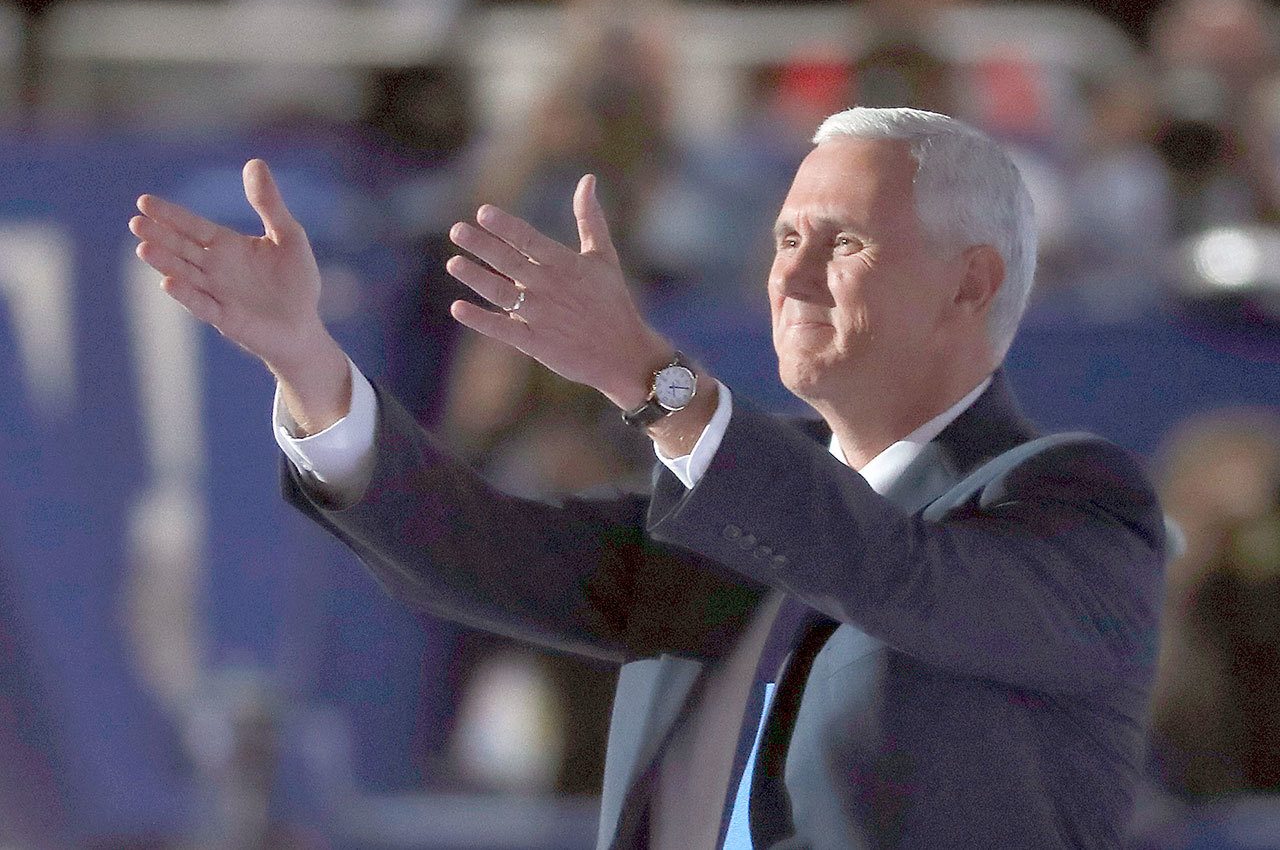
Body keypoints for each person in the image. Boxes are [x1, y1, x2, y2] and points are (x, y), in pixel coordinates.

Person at [129, 107, 1167, 849]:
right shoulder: (737, 503)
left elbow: (888, 571)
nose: (790, 277)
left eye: (842, 242)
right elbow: (474, 549)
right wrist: (304, 358)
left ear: (968, 281)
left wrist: (648, 377)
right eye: (782, 239)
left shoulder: (1073, 506)